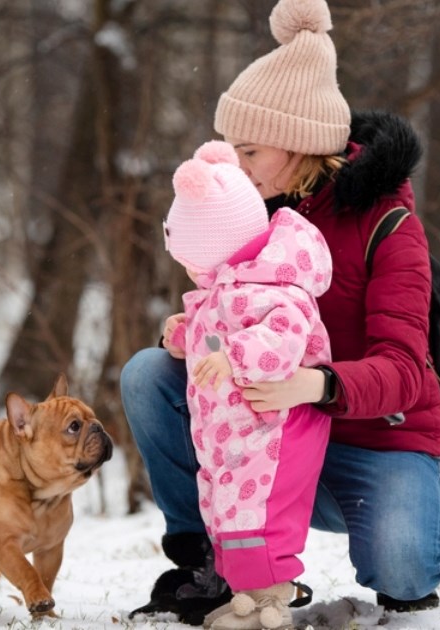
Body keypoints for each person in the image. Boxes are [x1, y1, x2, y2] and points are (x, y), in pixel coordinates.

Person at [123, 0, 440, 626]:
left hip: (370, 440)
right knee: (148, 375)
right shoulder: (252, 209)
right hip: (264, 437)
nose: (236, 171)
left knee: (403, 564)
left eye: (250, 152)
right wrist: (195, 337)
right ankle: (217, 565)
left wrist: (315, 383)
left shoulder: (389, 223)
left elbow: (406, 371)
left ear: (300, 144)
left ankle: (400, 556)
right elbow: (228, 306)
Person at [160, 139, 334, 630]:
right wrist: (185, 334)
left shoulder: (274, 286)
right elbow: (214, 326)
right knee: (226, 510)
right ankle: (245, 597)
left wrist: (232, 356)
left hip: (271, 431)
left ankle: (268, 603)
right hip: (229, 432)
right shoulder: (230, 284)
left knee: (258, 515)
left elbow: (284, 337)